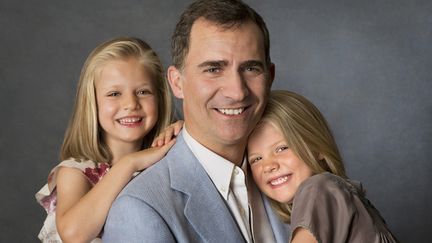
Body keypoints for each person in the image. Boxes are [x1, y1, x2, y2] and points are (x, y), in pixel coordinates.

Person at [103, 0, 289, 242]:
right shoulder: (140, 210)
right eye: (213, 69)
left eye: (251, 68)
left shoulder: (295, 172)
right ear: (177, 82)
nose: (237, 92)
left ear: (270, 77)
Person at [35, 37, 183, 242]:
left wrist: (187, 132)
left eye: (143, 92)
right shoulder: (75, 172)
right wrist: (129, 164)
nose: (131, 104)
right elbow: (74, 234)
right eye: (114, 93)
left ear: (159, 98)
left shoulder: (165, 158)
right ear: (92, 103)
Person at [247, 90, 400, 243]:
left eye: (281, 149)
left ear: (317, 147)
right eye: (256, 159)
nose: (268, 166)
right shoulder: (339, 199)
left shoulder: (317, 189)